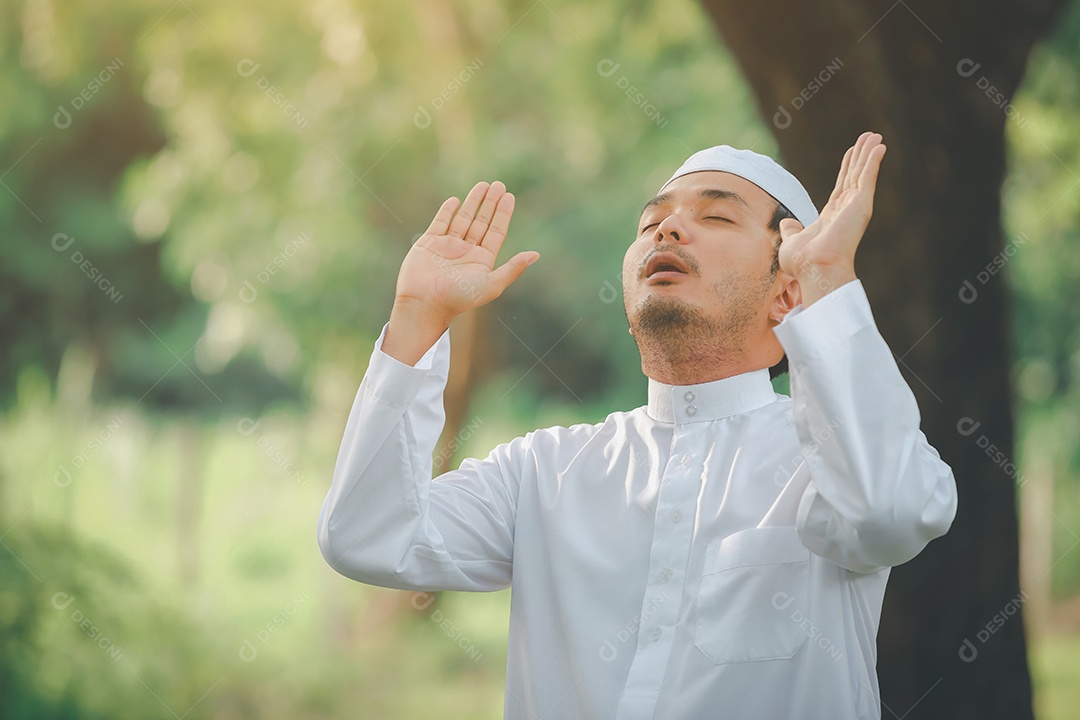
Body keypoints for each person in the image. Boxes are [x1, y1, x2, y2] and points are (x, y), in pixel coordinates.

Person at [316, 132, 958, 720]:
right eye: (653, 220)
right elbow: (367, 537)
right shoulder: (543, 472)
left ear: (785, 293)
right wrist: (417, 318)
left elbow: (887, 515)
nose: (670, 229)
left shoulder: (830, 464)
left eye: (715, 216)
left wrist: (828, 279)